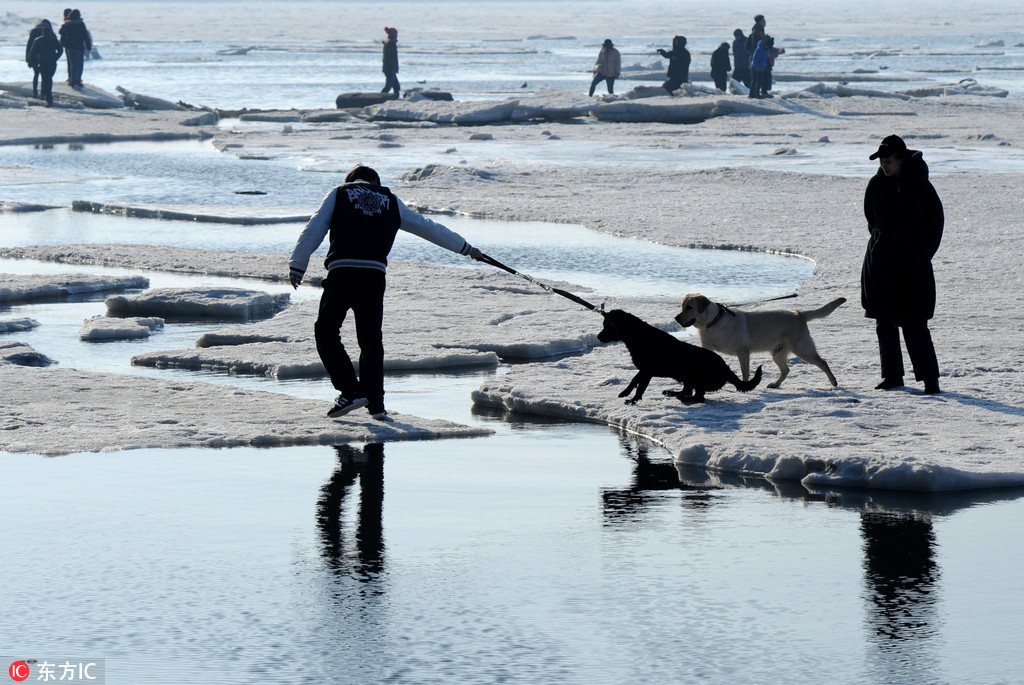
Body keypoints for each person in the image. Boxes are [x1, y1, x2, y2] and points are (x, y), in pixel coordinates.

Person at [289, 165, 485, 420]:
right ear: (376, 182)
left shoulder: (339, 193)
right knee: (370, 341)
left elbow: (314, 228)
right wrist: (466, 248)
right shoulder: (390, 200)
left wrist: (298, 265)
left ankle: (350, 390)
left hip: (343, 273)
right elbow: (428, 227)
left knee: (326, 332)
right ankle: (376, 405)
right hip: (373, 277)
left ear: (352, 180)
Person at [861, 135, 944, 395]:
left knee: (914, 323)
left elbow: (935, 225)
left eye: (888, 161)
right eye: (881, 162)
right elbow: (871, 221)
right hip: (881, 265)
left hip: (912, 267)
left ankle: (930, 380)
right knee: (884, 322)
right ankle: (892, 376)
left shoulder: (921, 186)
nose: (884, 166)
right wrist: (881, 246)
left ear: (901, 159)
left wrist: (920, 255)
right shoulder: (876, 185)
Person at [27, 20, 63, 107]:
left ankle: (43, 96)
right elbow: (61, 50)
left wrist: (30, 61)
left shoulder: (38, 40)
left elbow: (32, 52)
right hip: (52, 62)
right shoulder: (53, 39)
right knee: (48, 79)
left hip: (42, 61)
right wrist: (55, 57)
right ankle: (47, 97)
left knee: (44, 78)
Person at [58, 8, 91, 89]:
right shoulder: (81, 24)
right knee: (79, 64)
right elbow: (85, 36)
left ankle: (72, 80)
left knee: (72, 64)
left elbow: (61, 32)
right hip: (79, 46)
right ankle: (78, 80)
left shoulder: (67, 24)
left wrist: (64, 43)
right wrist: (88, 45)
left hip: (70, 47)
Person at [381, 27, 400, 99]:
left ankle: (396, 99)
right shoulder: (390, 43)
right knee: (388, 86)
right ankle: (380, 98)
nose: (397, 35)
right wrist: (392, 69)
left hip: (390, 69)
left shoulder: (390, 43)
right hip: (390, 69)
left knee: (396, 86)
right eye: (396, 33)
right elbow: (390, 58)